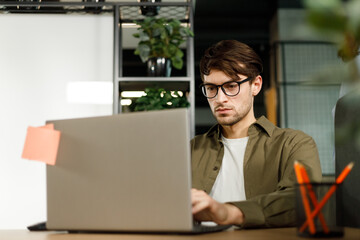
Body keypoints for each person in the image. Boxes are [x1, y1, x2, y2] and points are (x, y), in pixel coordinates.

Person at [191, 40, 322, 228]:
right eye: (211, 88)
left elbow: (303, 201)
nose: (220, 99)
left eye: (231, 86)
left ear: (256, 85)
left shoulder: (293, 144)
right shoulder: (191, 149)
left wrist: (228, 212)